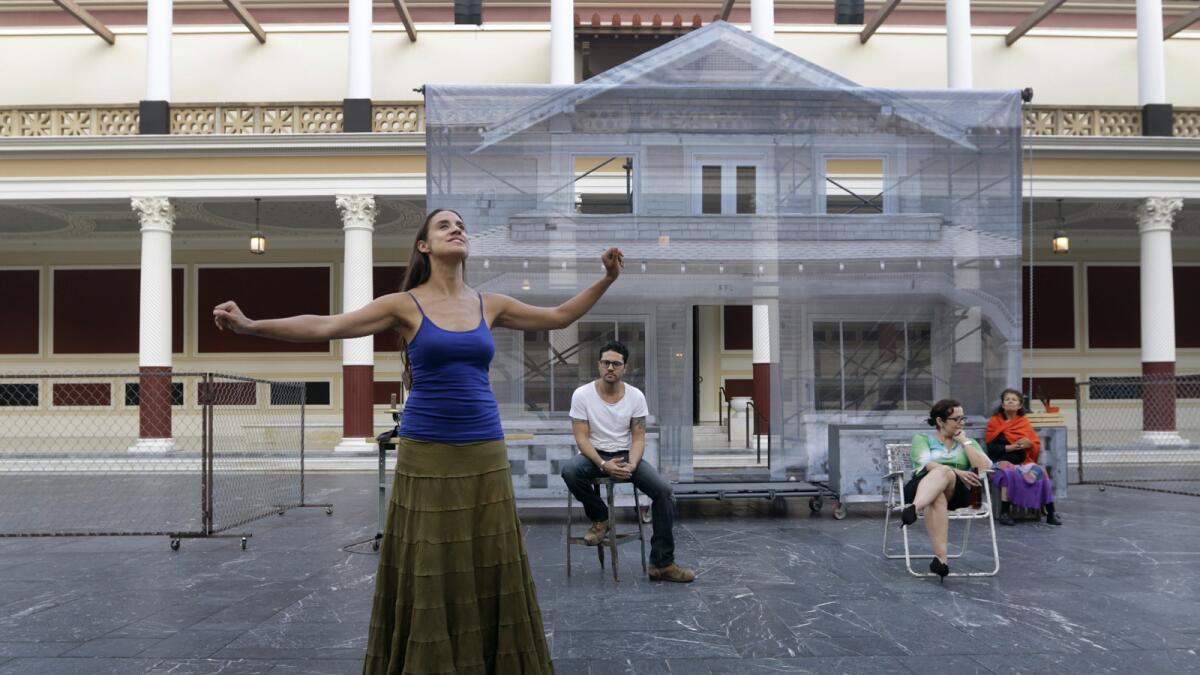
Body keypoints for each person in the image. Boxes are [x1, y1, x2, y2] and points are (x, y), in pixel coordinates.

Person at [214, 208, 625, 674]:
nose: (457, 229)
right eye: (444, 225)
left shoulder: (489, 304)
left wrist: (605, 278)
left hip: (484, 449)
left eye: (460, 225)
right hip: (425, 450)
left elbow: (559, 315)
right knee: (429, 561)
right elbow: (326, 325)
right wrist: (251, 326)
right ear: (425, 246)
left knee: (488, 558)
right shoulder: (404, 305)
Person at [560, 340, 696, 583]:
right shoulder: (582, 395)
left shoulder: (635, 396)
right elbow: (581, 439)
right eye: (606, 363)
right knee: (569, 470)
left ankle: (662, 564)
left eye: (616, 363)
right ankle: (601, 518)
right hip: (595, 455)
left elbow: (638, 437)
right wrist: (603, 464)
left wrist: (632, 464)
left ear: (625, 367)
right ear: (599, 365)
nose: (610, 367)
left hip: (625, 455)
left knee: (664, 492)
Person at [900, 399, 992, 580]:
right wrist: (956, 470)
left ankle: (913, 508)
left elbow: (983, 468)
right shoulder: (922, 439)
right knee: (938, 493)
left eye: (963, 418)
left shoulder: (969, 442)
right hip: (922, 487)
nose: (962, 423)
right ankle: (941, 561)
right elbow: (925, 464)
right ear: (940, 421)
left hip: (958, 493)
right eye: (956, 419)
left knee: (944, 472)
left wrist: (964, 442)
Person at [985, 388, 1062, 526]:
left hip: (1022, 463)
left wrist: (1030, 444)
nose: (1010, 402)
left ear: (1020, 405)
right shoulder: (994, 422)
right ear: (1002, 404)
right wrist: (1015, 447)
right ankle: (1004, 512)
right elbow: (992, 449)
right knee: (1008, 472)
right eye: (1007, 399)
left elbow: (1035, 444)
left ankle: (1051, 513)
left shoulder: (1023, 423)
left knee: (1040, 471)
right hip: (999, 464)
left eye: (1014, 400)